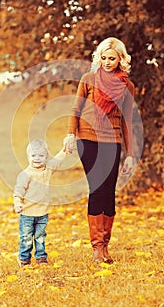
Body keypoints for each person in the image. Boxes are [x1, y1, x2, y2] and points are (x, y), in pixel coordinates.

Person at [64, 37, 134, 263]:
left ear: (121, 59)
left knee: (109, 191)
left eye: (111, 58)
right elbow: (76, 109)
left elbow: (127, 121)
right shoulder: (89, 79)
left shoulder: (127, 86)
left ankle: (105, 247)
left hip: (112, 140)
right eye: (103, 57)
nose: (106, 62)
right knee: (97, 187)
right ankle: (96, 248)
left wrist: (131, 154)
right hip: (88, 138)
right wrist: (70, 134)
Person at [13, 139, 67, 267]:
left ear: (46, 157)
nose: (37, 158)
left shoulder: (48, 169)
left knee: (40, 236)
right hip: (27, 213)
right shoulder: (26, 174)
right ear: (28, 157)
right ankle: (24, 259)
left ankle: (41, 258)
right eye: (33, 155)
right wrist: (17, 203)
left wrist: (65, 150)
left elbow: (58, 160)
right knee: (26, 238)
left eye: (41, 156)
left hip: (43, 213)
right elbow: (18, 190)